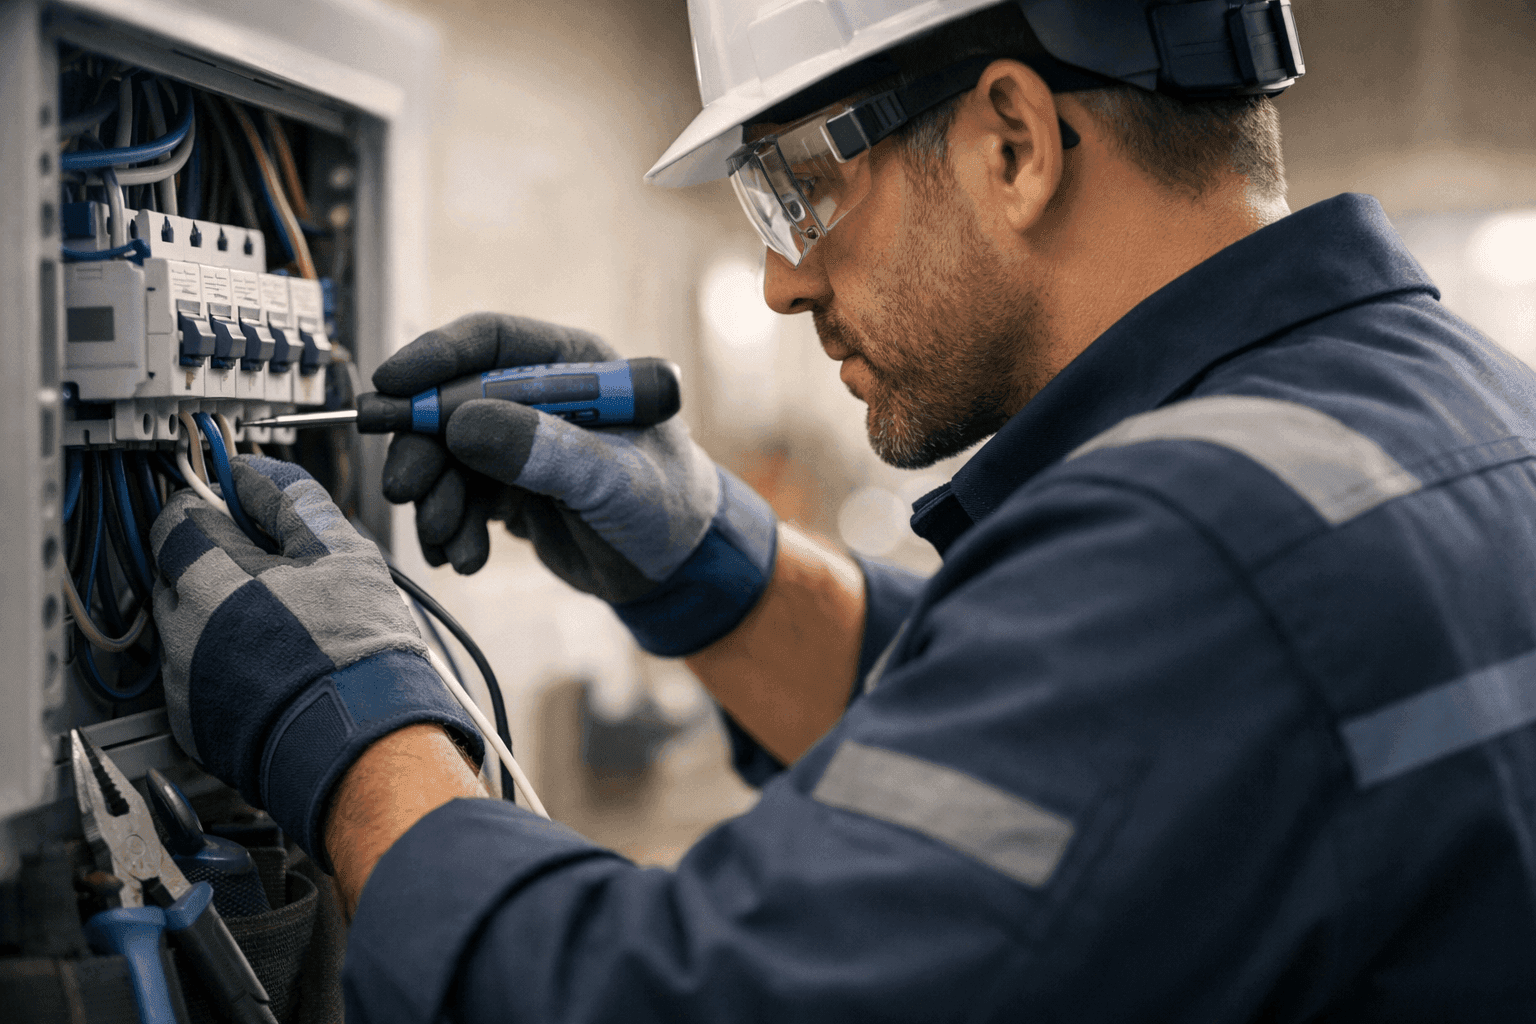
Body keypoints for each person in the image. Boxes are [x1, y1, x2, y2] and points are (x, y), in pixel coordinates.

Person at [149, 1, 1536, 1020]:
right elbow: (1109, 772)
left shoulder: (1197, 543)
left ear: (1013, 143)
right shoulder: (1463, 411)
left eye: (801, 189)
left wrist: (359, 743)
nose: (778, 285)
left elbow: (669, 1006)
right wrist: (717, 570)